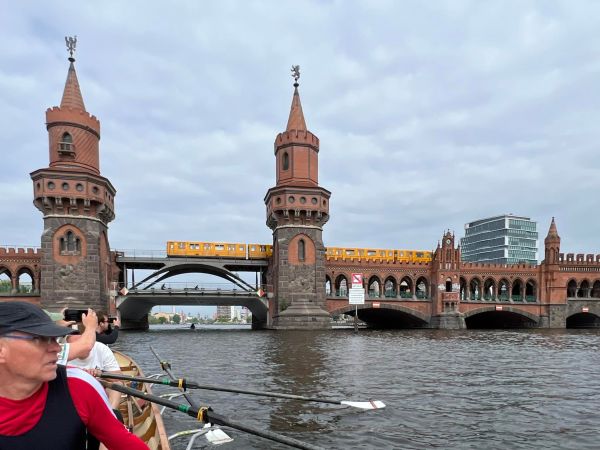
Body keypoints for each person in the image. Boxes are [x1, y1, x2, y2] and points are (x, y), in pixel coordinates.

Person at [0, 301, 148, 450]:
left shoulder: (80, 386)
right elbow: (85, 346)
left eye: (54, 338)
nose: (57, 348)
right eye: (39, 339)